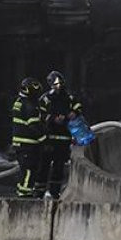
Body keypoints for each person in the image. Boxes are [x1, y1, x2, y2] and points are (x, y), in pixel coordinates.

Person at [36, 71, 83, 199]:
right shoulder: (45, 99)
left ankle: (55, 192)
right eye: (56, 84)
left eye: (60, 83)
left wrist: (74, 112)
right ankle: (39, 191)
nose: (58, 86)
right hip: (48, 139)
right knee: (43, 166)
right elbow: (40, 115)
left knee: (59, 167)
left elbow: (78, 106)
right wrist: (53, 119)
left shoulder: (69, 98)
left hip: (63, 138)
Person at [11, 77, 46, 198]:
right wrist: (44, 140)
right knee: (29, 170)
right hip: (28, 144)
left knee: (25, 169)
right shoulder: (30, 105)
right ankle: (25, 194)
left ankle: (22, 191)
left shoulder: (19, 101)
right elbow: (34, 126)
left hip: (20, 143)